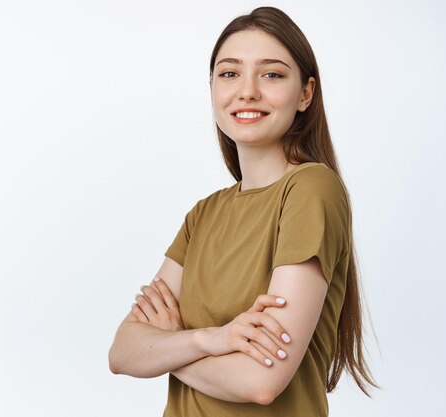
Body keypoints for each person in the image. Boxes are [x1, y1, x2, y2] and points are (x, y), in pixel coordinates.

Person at [108, 6, 379, 417]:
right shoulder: (203, 214)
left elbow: (261, 381)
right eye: (230, 73)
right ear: (213, 88)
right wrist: (209, 340)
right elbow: (123, 352)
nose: (247, 91)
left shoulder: (310, 190)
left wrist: (169, 344)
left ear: (305, 93)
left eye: (271, 74)